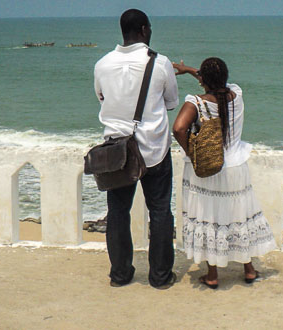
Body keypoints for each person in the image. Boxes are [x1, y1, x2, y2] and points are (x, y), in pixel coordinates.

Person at [172, 57, 277, 289]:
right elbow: (212, 79)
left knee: (211, 217)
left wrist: (192, 153)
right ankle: (249, 269)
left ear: (203, 81)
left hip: (209, 169)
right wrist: (190, 70)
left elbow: (178, 128)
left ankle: (212, 275)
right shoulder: (236, 95)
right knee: (237, 216)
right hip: (236, 167)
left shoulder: (195, 103)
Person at [93, 9, 179, 289]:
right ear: (144, 29)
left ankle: (120, 274)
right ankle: (160, 276)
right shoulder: (161, 62)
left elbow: (101, 98)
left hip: (117, 153)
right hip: (154, 149)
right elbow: (170, 102)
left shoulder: (102, 64)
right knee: (160, 212)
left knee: (118, 212)